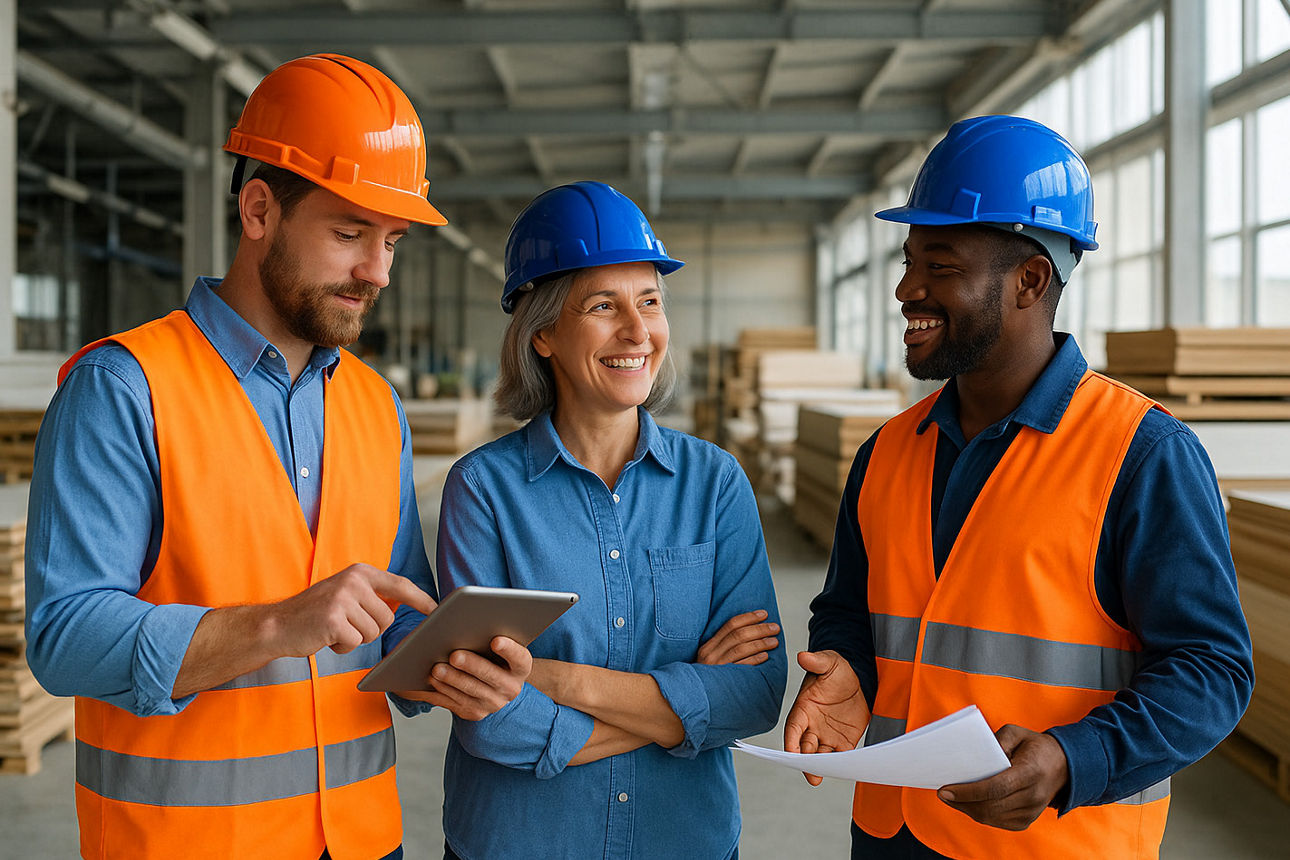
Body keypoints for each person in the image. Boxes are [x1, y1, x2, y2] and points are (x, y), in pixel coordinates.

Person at [24, 54, 531, 860]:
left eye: (392, 241)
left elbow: (391, 605)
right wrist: (276, 624)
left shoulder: (375, 405)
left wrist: (442, 657)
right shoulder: (125, 389)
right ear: (258, 209)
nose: (376, 271)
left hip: (363, 841)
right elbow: (66, 634)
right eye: (348, 233)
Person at [784, 115, 1254, 859]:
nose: (907, 289)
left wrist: (1074, 759)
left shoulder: (1142, 455)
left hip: (1052, 843)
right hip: (892, 834)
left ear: (1031, 279)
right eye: (907, 261)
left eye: (940, 265)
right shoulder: (885, 454)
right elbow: (848, 610)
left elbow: (1212, 671)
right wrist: (846, 669)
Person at [432, 180, 787, 860]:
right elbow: (490, 720)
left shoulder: (714, 484)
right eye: (604, 306)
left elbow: (753, 693)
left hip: (685, 841)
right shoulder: (482, 491)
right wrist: (682, 705)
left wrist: (549, 677)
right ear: (542, 335)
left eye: (650, 302)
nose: (637, 332)